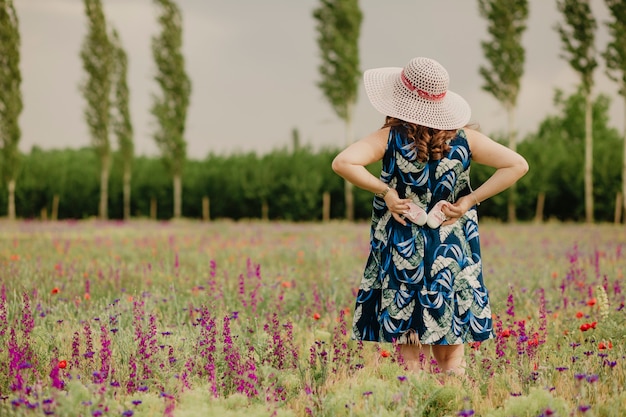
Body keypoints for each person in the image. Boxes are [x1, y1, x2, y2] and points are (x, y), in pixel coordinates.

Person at [332, 57, 528, 375]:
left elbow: (343, 162)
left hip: (402, 253)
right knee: (453, 359)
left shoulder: (389, 138)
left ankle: (416, 405)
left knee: (410, 360)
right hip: (452, 253)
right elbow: (518, 164)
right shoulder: (465, 139)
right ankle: (455, 407)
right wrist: (469, 201)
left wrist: (387, 193)